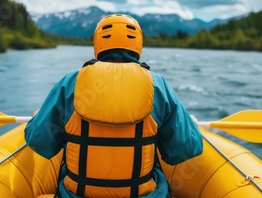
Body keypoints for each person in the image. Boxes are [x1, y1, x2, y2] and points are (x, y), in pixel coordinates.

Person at [25, 14, 203, 198]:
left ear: (97, 45)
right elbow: (186, 148)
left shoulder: (70, 83)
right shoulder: (158, 85)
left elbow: (39, 141)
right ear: (138, 45)